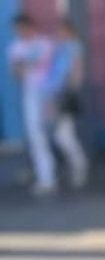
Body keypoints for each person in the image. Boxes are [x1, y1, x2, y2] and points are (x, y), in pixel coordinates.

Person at [8, 14, 61, 196]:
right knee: (36, 135)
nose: (19, 32)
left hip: (50, 94)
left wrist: (26, 64)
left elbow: (51, 65)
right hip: (31, 94)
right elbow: (15, 71)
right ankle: (46, 178)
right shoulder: (16, 47)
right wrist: (24, 66)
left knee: (59, 134)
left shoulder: (45, 43)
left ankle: (70, 169)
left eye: (21, 28)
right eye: (16, 30)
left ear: (29, 26)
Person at [41, 20, 89, 190]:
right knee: (61, 135)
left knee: (63, 135)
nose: (58, 34)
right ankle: (75, 166)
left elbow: (76, 73)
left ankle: (79, 166)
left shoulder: (73, 48)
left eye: (61, 31)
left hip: (63, 96)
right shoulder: (59, 49)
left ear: (69, 31)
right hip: (55, 95)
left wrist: (69, 91)